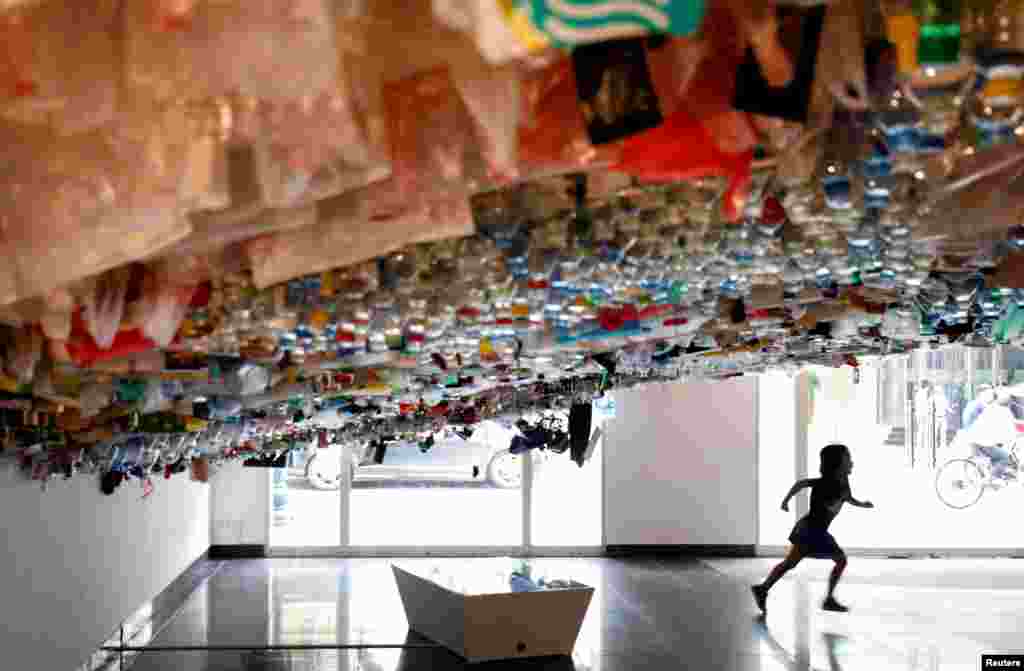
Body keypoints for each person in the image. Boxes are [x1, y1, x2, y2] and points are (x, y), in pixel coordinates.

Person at [751, 444, 874, 614]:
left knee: (791, 563)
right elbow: (801, 484)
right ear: (837, 464)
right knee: (839, 560)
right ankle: (828, 600)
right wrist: (785, 501)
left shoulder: (843, 483)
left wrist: (862, 504)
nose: (851, 462)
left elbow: (847, 498)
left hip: (812, 531)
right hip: (811, 531)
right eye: (848, 459)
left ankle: (762, 589)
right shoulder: (826, 484)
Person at [968, 391, 1018, 481]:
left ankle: (995, 473)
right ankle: (992, 477)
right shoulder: (1005, 412)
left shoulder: (990, 407)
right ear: (1009, 403)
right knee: (1005, 457)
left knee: (996, 454)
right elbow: (1011, 429)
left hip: (973, 439)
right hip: (983, 442)